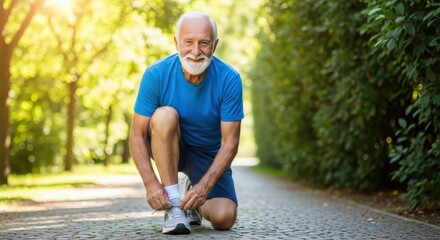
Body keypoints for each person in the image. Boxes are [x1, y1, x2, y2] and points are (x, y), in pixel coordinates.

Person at [129, 11, 244, 235]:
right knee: (163, 115)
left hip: (207, 155)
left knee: (224, 218)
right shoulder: (155, 74)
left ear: (215, 45)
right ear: (176, 43)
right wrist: (151, 184)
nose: (195, 51)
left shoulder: (229, 78)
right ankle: (174, 205)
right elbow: (137, 134)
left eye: (204, 43)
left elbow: (230, 142)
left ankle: (192, 196)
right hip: (170, 146)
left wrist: (204, 187)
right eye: (188, 42)